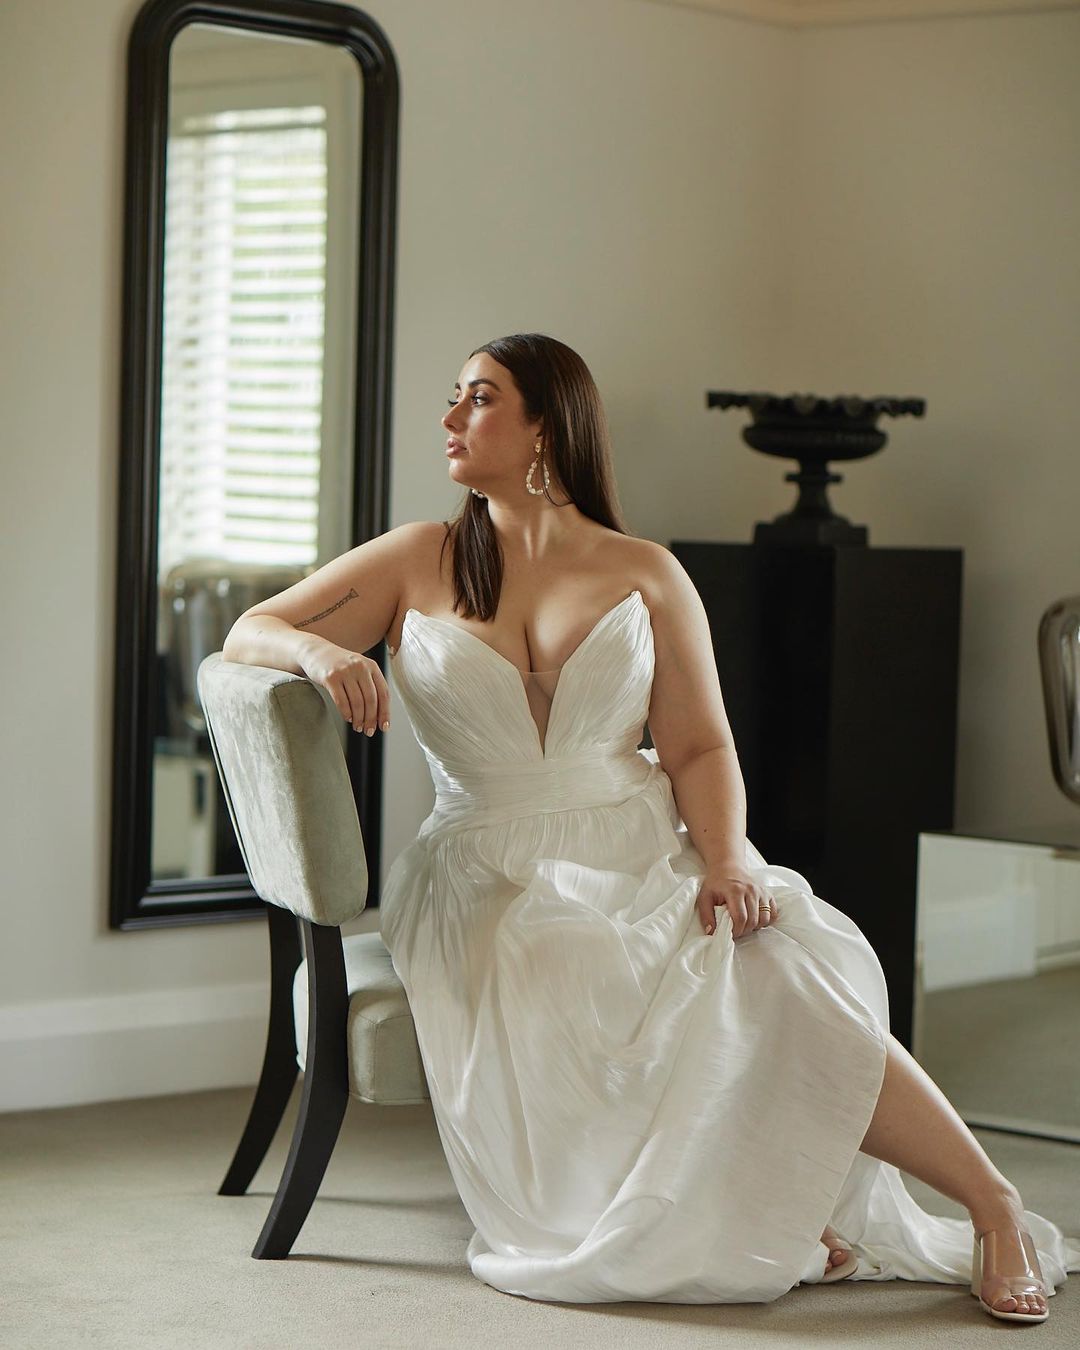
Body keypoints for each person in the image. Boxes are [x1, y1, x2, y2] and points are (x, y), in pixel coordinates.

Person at [222, 332, 1080, 1320]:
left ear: (547, 428)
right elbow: (250, 631)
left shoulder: (647, 573)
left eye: (480, 398)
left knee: (779, 962)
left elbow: (701, 748)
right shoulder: (417, 558)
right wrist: (321, 655)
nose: (450, 417)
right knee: (570, 953)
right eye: (455, 396)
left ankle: (994, 1207)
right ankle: (749, 1210)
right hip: (480, 866)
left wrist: (728, 859)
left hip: (640, 843)